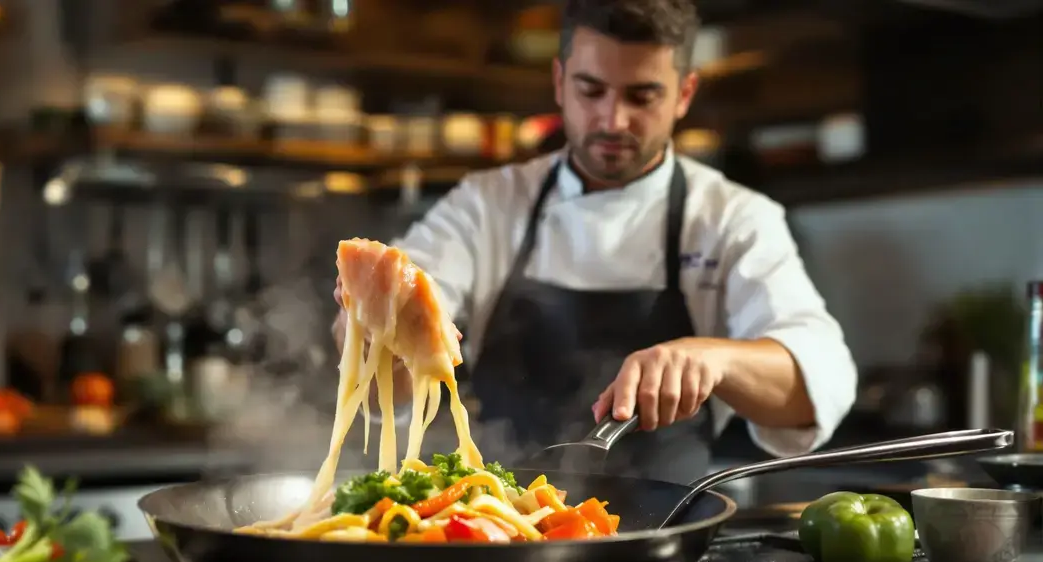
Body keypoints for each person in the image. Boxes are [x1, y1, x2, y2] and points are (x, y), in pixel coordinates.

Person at [332, 0, 856, 484]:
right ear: (559, 83)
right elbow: (392, 364)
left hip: (665, 528)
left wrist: (712, 359)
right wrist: (379, 321)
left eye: (641, 96)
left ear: (685, 95)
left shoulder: (734, 218)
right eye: (591, 90)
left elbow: (817, 381)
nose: (612, 119)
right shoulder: (488, 204)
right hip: (497, 522)